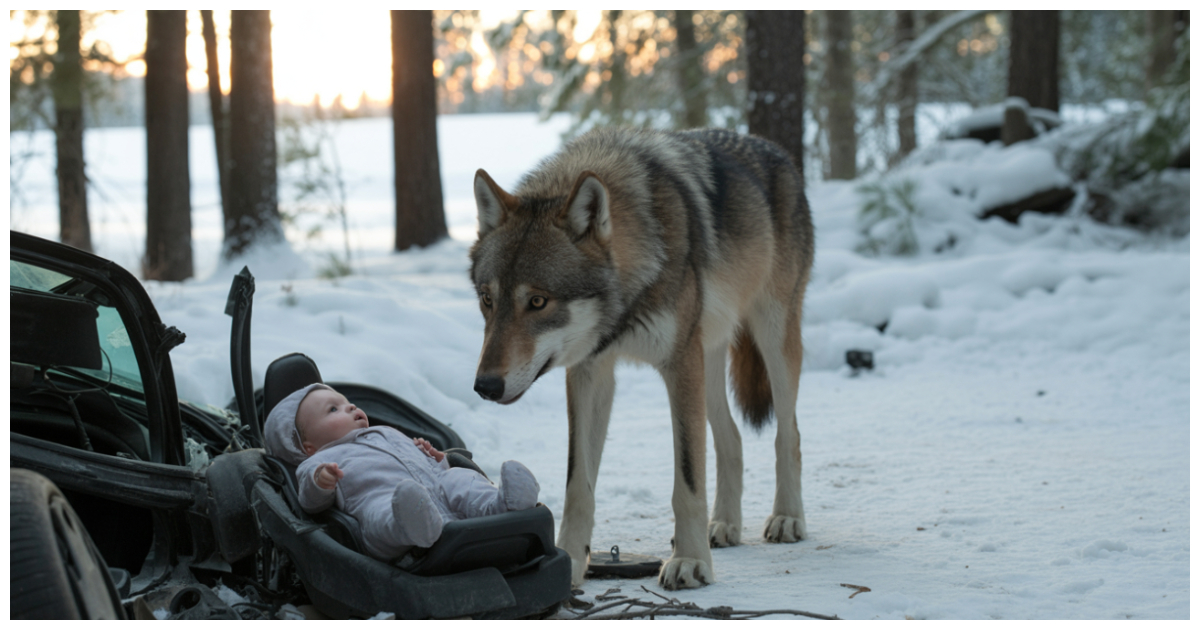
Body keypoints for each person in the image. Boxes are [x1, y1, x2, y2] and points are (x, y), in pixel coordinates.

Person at [263, 383, 540, 561]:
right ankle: (412, 528)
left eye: (348, 402)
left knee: (458, 478)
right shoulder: (319, 461)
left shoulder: (383, 432)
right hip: (385, 502)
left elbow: (424, 465)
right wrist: (321, 482)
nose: (350, 407)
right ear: (307, 447)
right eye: (333, 409)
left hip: (433, 488)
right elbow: (310, 502)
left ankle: (502, 505)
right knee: (385, 508)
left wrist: (436, 459)